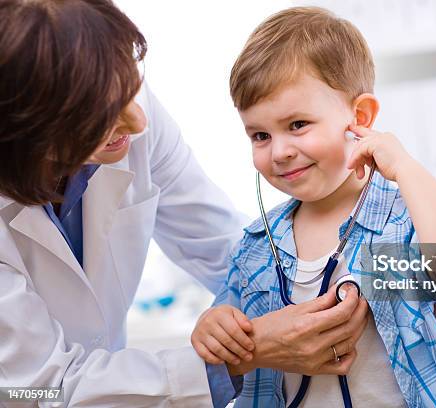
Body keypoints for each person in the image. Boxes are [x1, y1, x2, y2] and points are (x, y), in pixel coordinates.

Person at [0, 1, 371, 406]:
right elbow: (41, 389)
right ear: (29, 133)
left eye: (298, 125)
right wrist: (229, 345)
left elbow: (229, 252)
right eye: (260, 135)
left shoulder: (393, 217)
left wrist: (415, 185)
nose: (138, 122)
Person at [192, 6, 436, 408]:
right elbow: (228, 327)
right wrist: (212, 327)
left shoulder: (406, 217)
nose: (279, 152)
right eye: (260, 135)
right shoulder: (257, 245)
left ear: (359, 117)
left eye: (297, 125)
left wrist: (405, 168)